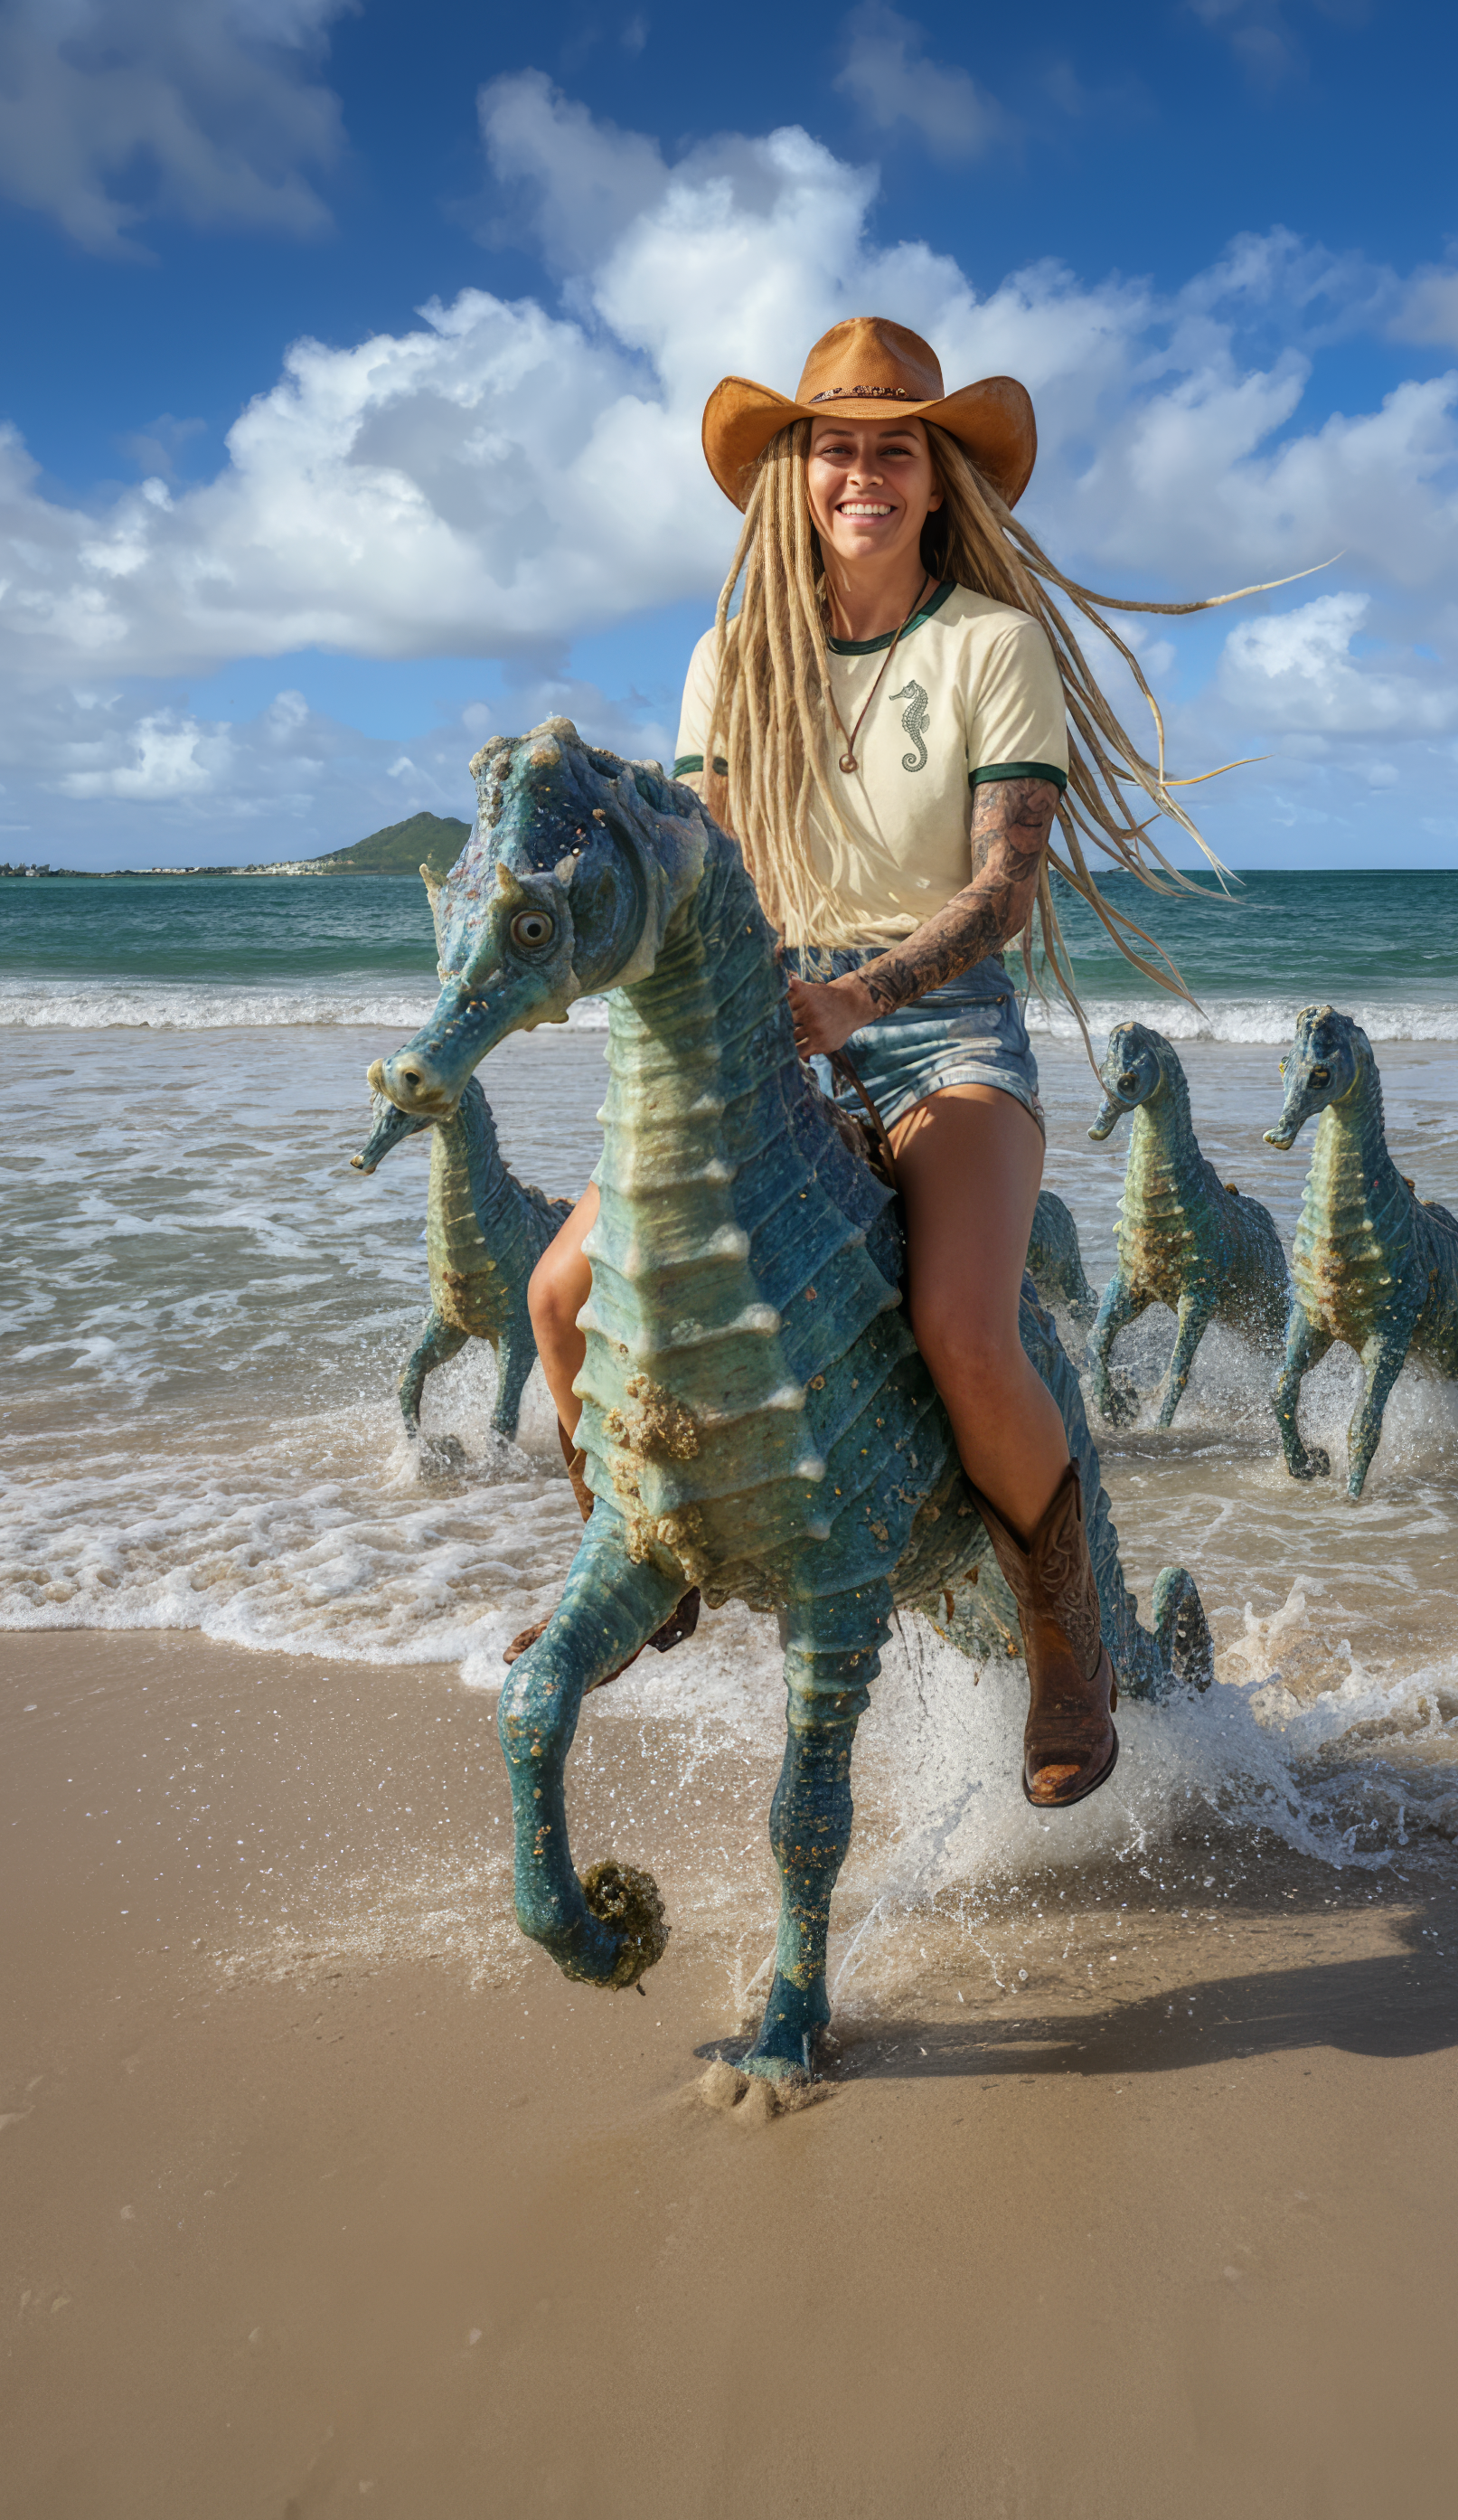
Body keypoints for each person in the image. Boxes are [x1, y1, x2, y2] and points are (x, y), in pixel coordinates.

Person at [529, 316, 1247, 1807]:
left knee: (963, 1326)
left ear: (936, 480)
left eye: (893, 448)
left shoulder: (992, 645)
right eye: (836, 446)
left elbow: (1004, 892)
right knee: (558, 1290)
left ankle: (1069, 1649)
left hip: (940, 1028)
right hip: (762, 1022)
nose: (863, 470)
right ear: (798, 477)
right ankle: (641, 1562)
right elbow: (702, 860)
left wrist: (864, 993)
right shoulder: (729, 658)